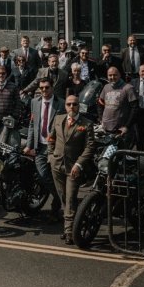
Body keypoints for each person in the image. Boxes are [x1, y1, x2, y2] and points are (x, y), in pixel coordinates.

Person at [49, 95, 96, 244]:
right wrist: (51, 156)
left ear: (78, 106)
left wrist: (79, 164)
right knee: (63, 197)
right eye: (69, 104)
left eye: (74, 104)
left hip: (73, 168)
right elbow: (51, 139)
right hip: (56, 165)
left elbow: (90, 147)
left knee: (70, 198)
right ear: (65, 106)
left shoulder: (86, 124)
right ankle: (71, 226)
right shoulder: (58, 119)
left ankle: (69, 232)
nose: (71, 107)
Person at [24, 79, 59, 215]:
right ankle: (59, 196)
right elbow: (33, 125)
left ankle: (56, 208)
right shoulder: (35, 102)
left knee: (56, 177)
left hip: (55, 147)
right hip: (40, 146)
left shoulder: (60, 104)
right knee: (43, 175)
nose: (44, 91)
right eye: (41, 88)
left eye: (47, 88)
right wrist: (29, 145)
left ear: (52, 88)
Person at [98, 66, 136, 136]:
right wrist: (101, 119)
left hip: (120, 130)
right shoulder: (106, 87)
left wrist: (127, 126)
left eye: (115, 75)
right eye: (110, 75)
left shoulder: (128, 88)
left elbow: (135, 108)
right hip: (105, 128)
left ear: (120, 75)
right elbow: (100, 103)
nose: (112, 77)